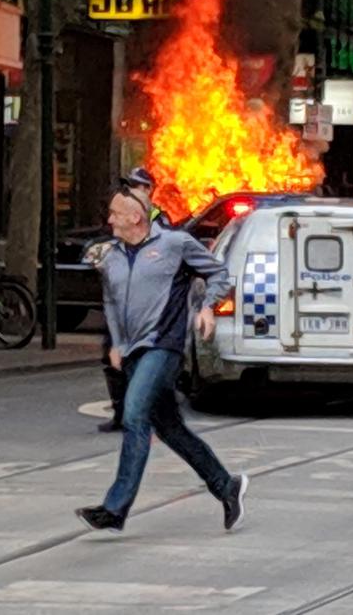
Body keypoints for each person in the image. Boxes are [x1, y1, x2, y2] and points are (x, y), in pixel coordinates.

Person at [75, 186, 248, 534]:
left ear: (136, 217)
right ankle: (225, 486)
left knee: (135, 413)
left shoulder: (174, 245)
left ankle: (115, 507)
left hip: (164, 345)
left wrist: (206, 307)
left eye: (115, 213)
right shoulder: (112, 256)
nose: (109, 219)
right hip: (134, 350)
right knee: (170, 428)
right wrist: (117, 343)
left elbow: (218, 273)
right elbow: (110, 301)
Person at [96, 167, 172, 433]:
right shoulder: (121, 216)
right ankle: (121, 413)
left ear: (149, 191)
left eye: (138, 186)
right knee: (113, 355)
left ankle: (143, 414)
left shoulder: (158, 221)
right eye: (129, 186)